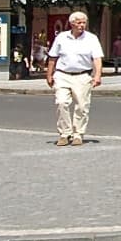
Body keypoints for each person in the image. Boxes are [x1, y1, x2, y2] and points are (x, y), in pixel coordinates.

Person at [45, 11, 104, 147]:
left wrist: (97, 75)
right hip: (62, 75)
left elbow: (97, 58)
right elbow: (53, 57)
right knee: (61, 102)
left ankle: (78, 134)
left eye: (84, 22)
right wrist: (49, 74)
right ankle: (65, 133)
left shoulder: (91, 38)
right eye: (79, 23)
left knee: (82, 106)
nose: (82, 25)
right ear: (72, 23)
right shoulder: (61, 37)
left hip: (82, 75)